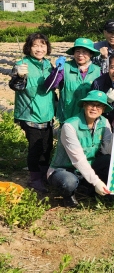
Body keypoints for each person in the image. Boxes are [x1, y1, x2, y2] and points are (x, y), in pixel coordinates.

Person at [47, 90, 113, 207]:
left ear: (103, 109)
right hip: (65, 169)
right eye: (91, 104)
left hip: (89, 165)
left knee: (109, 160)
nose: (94, 108)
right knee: (69, 182)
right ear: (84, 105)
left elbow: (107, 149)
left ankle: (88, 187)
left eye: (99, 106)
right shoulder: (70, 126)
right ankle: (69, 195)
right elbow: (78, 159)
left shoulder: (105, 122)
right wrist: (96, 181)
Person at [9, 32, 56, 193]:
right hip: (29, 115)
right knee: (35, 148)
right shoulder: (22, 64)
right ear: (28, 47)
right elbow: (16, 86)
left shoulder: (48, 65)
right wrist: (19, 76)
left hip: (47, 114)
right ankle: (35, 179)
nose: (39, 48)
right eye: (35, 45)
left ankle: (43, 175)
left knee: (47, 146)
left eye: (42, 45)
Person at [44, 38, 102, 124]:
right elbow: (49, 86)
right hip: (67, 117)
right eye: (77, 51)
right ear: (73, 53)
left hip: (89, 119)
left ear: (91, 54)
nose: (80, 55)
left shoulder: (97, 71)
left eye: (85, 52)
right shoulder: (65, 68)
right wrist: (57, 70)